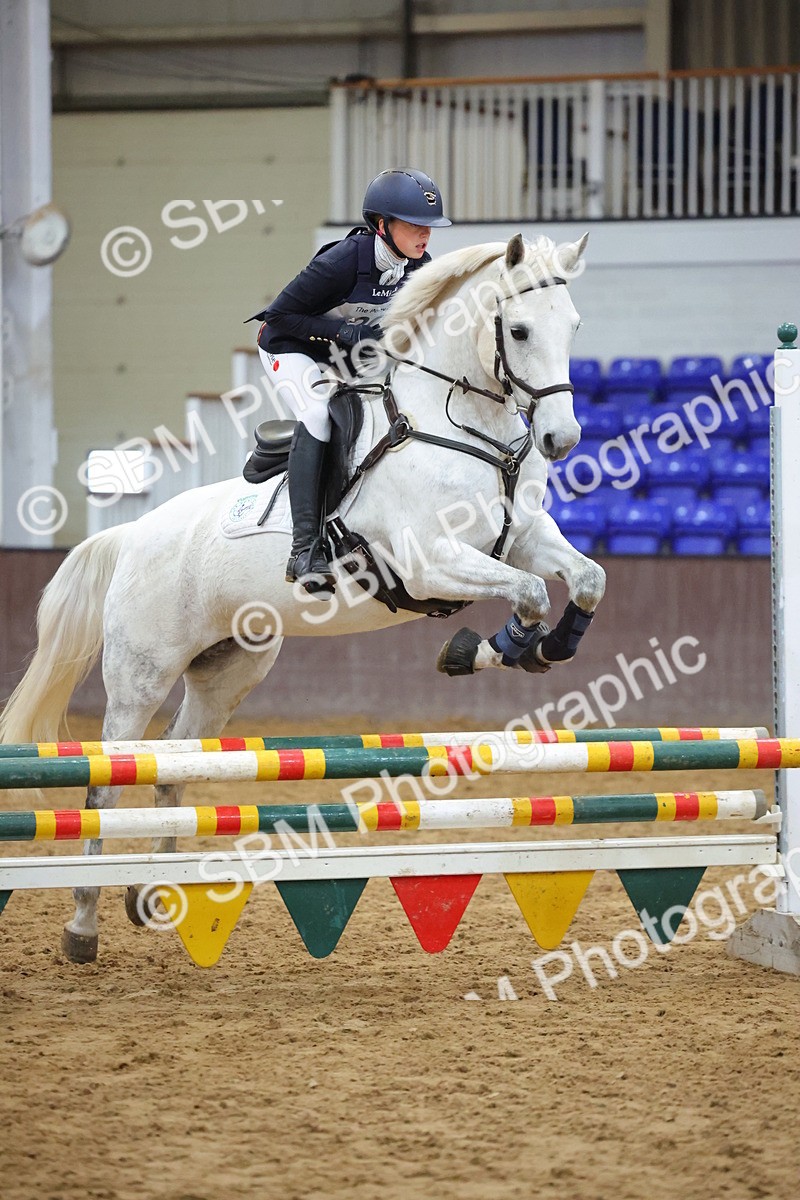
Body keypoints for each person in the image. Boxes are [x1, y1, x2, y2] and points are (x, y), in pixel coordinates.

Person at [250, 168, 451, 595]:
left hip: (347, 354)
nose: (425, 236)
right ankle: (304, 550)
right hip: (289, 345)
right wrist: (347, 334)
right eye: (415, 225)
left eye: (429, 227)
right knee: (320, 414)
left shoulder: (420, 267)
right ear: (382, 225)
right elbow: (277, 316)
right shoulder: (342, 262)